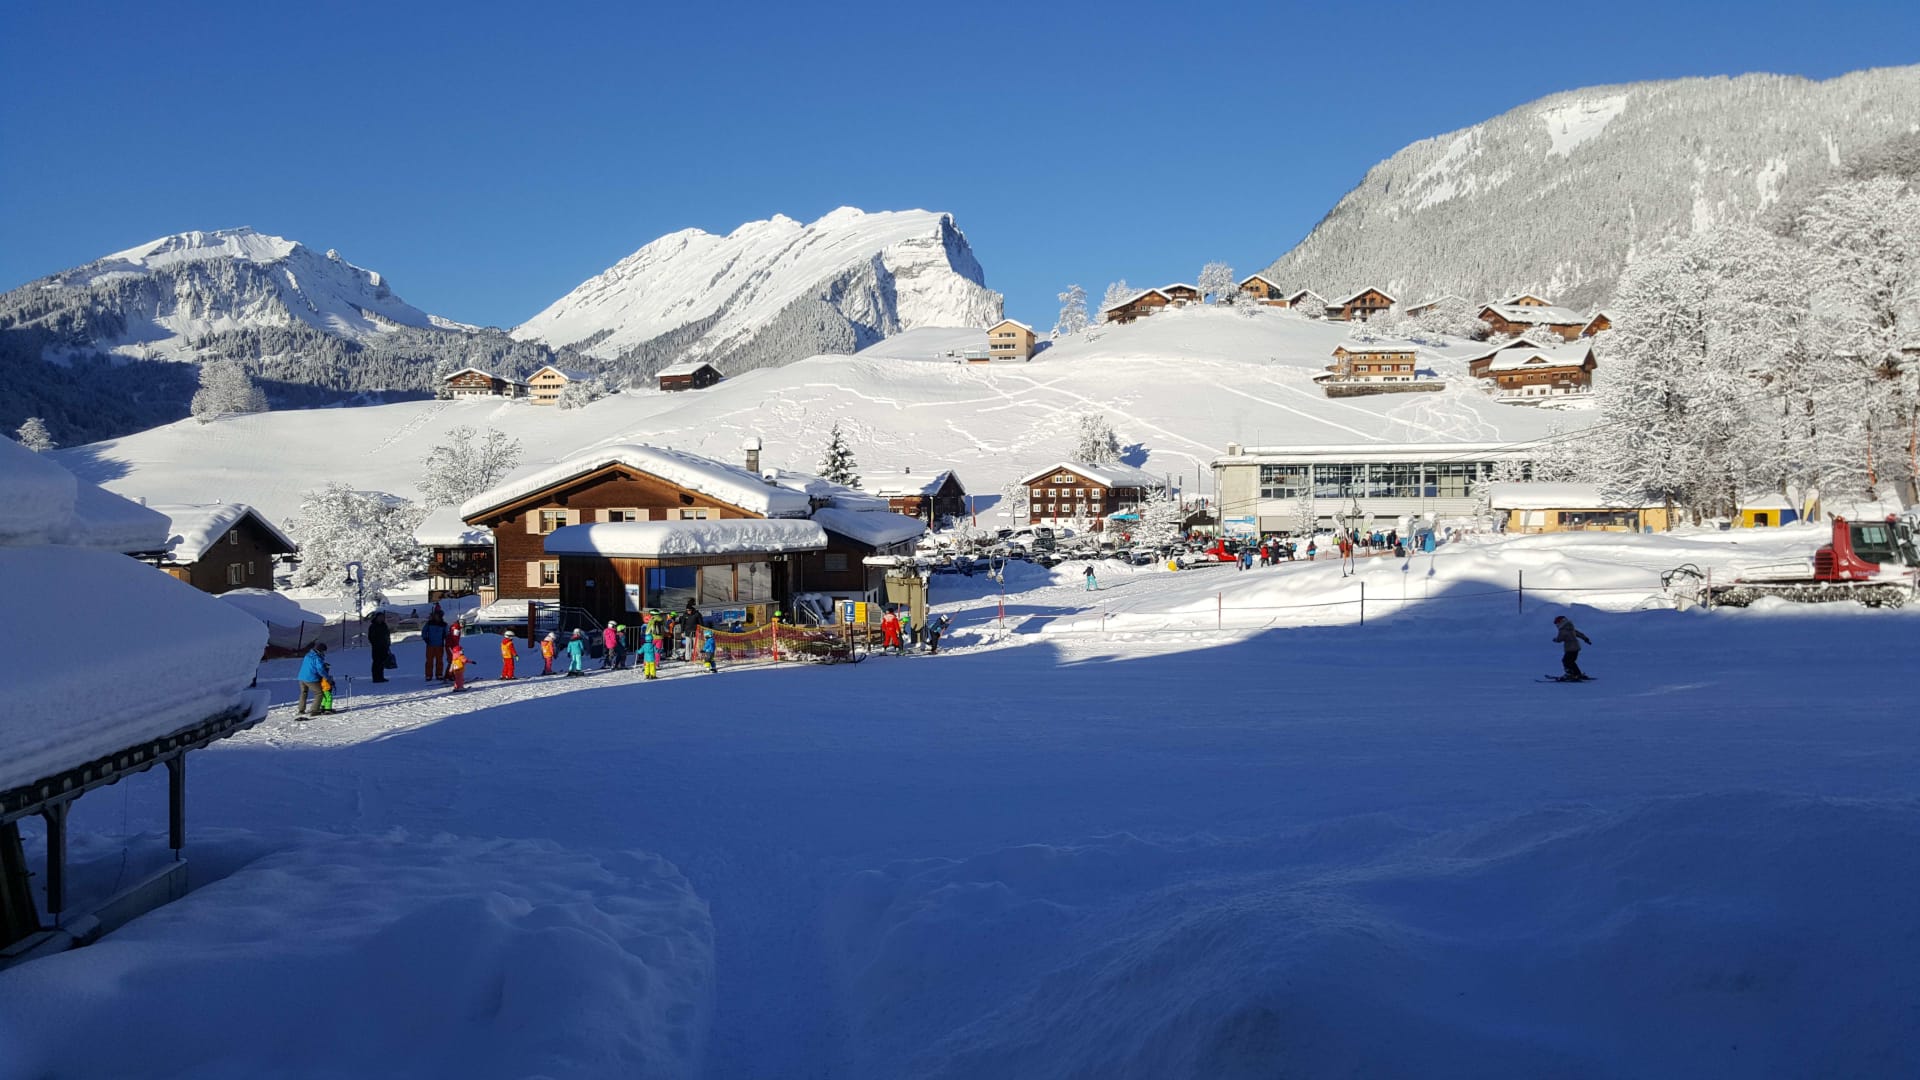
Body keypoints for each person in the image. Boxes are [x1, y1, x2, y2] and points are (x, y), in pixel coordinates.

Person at [1552, 615, 1593, 680]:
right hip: (1576, 647)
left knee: (1565, 661)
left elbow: (1560, 639)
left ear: (1560, 622)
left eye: (1557, 623)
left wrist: (1555, 640)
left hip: (1570, 648)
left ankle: (1569, 674)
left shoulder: (1562, 630)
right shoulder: (1570, 628)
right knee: (1571, 661)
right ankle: (1577, 674)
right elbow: (1578, 634)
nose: (1556, 625)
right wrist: (1585, 638)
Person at [297, 641, 329, 718]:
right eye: (323, 651)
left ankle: (301, 710)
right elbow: (320, 669)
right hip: (310, 678)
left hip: (301, 677)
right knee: (319, 693)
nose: (324, 653)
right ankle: (314, 710)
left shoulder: (308, 655)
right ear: (320, 650)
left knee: (303, 693)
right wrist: (327, 677)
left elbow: (310, 665)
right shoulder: (317, 658)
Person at [421, 610, 448, 680]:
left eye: (438, 615)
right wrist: (425, 638)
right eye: (435, 615)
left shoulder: (444, 624)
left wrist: (446, 639)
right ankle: (428, 675)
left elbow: (447, 633)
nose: (436, 616)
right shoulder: (429, 623)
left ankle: (439, 674)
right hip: (430, 645)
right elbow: (424, 631)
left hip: (439, 645)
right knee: (429, 661)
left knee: (439, 661)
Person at [368, 611, 392, 683]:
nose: (381, 618)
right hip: (376, 647)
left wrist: (388, 643)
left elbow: (387, 635)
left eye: (382, 617)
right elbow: (371, 637)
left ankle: (381, 677)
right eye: (380, 617)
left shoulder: (384, 625)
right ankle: (376, 678)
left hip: (384, 647)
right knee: (376, 662)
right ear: (376, 618)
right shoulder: (373, 626)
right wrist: (375, 644)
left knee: (382, 662)